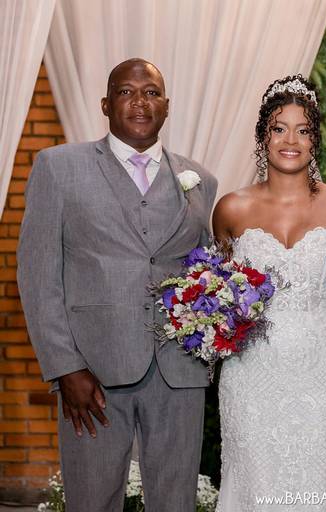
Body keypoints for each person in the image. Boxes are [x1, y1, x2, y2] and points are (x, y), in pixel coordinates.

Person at [17, 59, 218, 510]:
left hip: (179, 370)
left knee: (176, 502)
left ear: (167, 105)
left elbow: (205, 271)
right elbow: (37, 274)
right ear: (106, 105)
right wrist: (65, 367)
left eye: (151, 92)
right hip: (92, 373)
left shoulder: (199, 180)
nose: (140, 101)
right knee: (92, 500)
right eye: (126, 92)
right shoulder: (58, 168)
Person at [212, 75, 326, 511]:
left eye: (303, 130)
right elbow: (217, 295)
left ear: (315, 140)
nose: (291, 140)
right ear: (262, 136)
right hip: (251, 375)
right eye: (279, 128)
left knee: (324, 479)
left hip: (324, 371)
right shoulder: (231, 209)